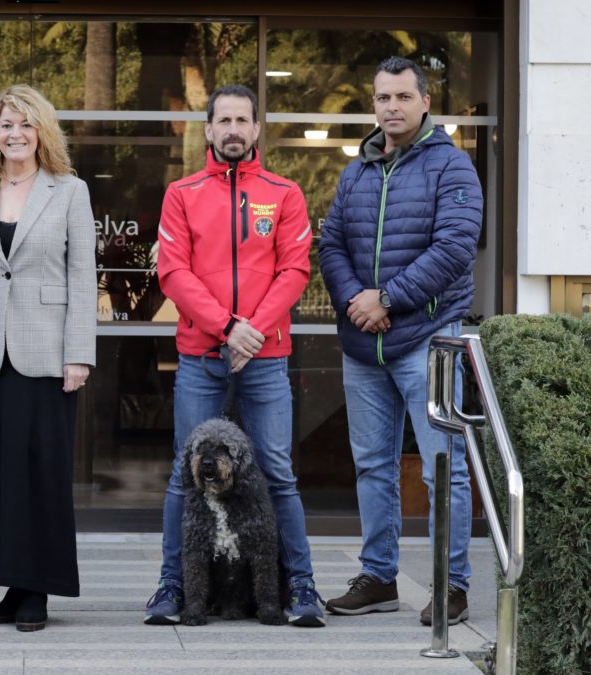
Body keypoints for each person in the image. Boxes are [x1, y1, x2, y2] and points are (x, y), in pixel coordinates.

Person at [147, 84, 325, 628]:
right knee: (184, 475)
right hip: (202, 354)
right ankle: (171, 587)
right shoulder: (181, 193)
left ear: (255, 130)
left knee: (277, 472)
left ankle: (300, 587)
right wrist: (227, 327)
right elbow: (173, 272)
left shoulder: (285, 193)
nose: (232, 129)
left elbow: (294, 271)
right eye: (222, 119)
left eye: (241, 120)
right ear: (208, 129)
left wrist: (252, 333)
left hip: (266, 358)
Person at [318, 56, 482, 625]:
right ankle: (379, 577)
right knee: (372, 466)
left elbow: (454, 250)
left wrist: (385, 298)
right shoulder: (356, 170)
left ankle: (451, 585)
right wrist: (354, 303)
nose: (391, 106)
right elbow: (331, 244)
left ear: (425, 102)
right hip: (365, 346)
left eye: (403, 97)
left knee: (444, 468)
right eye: (383, 98)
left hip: (429, 339)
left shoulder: (452, 167)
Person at [0, 84, 96, 633]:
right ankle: (9, 580)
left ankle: (38, 588)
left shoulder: (69, 192)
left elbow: (83, 277)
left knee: (43, 473)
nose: (15, 133)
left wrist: (79, 352)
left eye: (25, 124)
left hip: (48, 353)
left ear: (42, 132)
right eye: (6, 124)